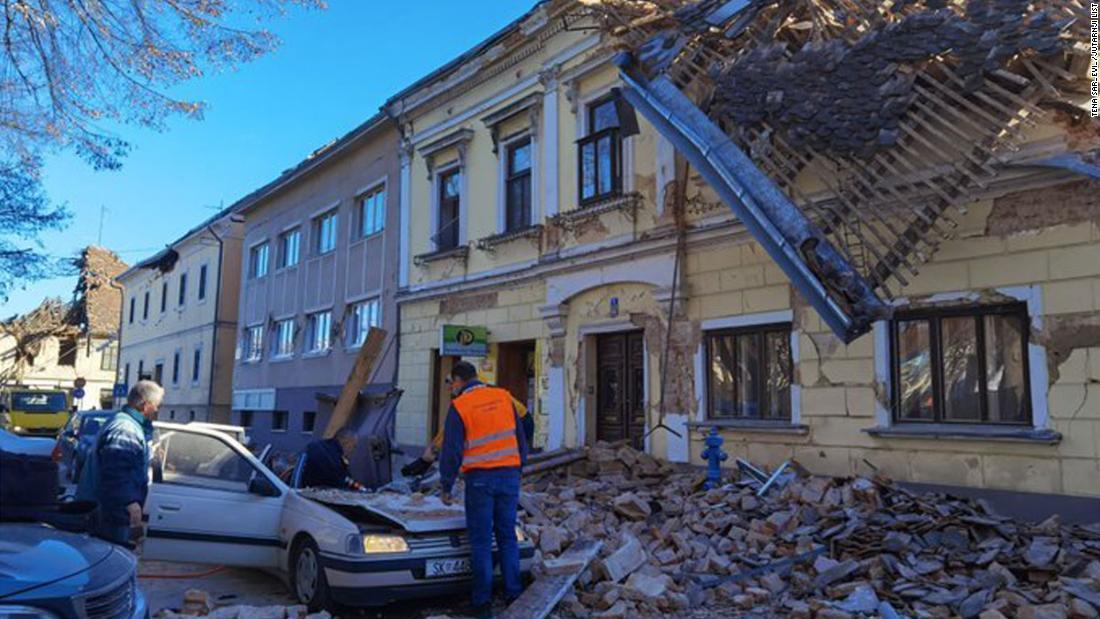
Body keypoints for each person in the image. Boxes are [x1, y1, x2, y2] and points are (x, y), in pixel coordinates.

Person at [439, 361, 528, 619]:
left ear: (458, 380)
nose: (451, 388)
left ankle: (482, 603)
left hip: (480, 479)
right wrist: (517, 469)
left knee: (480, 542)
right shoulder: (503, 396)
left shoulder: (459, 406)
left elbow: (452, 450)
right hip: (509, 476)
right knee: (507, 537)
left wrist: (446, 484)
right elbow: (520, 438)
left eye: (450, 383)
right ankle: (513, 593)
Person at [76, 380, 162, 547]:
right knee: (109, 565)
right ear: (146, 405)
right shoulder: (126, 429)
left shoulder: (127, 424)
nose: (158, 410)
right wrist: (130, 502)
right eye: (157, 405)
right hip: (109, 514)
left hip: (109, 511)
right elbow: (115, 471)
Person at [401, 391, 532, 479]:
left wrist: (431, 453)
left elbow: (449, 429)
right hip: (522, 418)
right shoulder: (485, 392)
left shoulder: (470, 401)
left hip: (521, 420)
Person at [301, 428, 366, 491]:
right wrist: (362, 489)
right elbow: (343, 479)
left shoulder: (318, 446)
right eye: (353, 446)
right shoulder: (335, 458)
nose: (353, 450)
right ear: (345, 441)